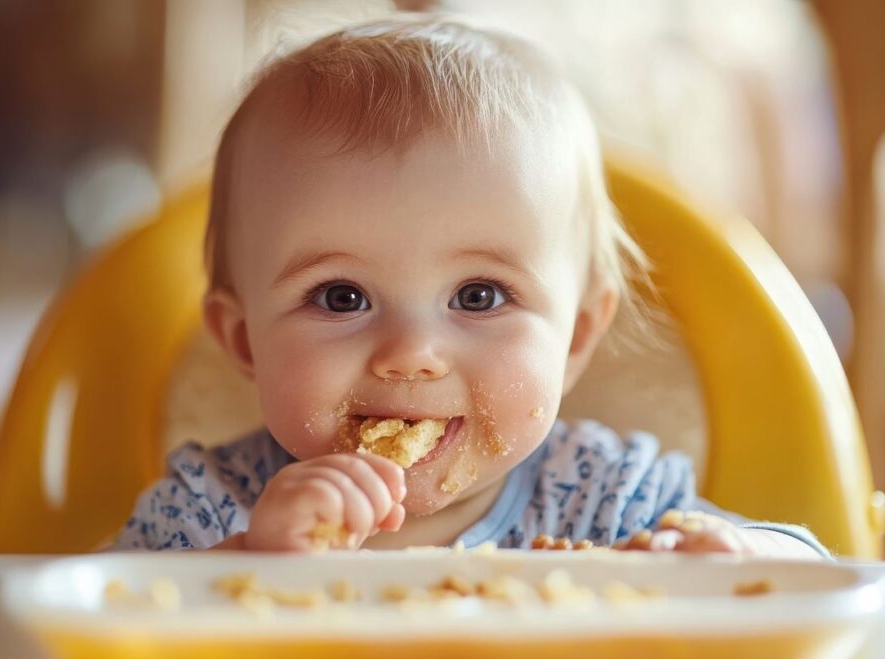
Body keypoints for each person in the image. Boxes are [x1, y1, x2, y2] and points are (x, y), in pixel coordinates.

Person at [113, 17, 827, 558]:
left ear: (576, 335)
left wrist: (733, 562)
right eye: (341, 297)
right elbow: (80, 634)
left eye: (479, 295)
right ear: (244, 339)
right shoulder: (212, 510)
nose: (411, 353)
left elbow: (818, 576)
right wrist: (240, 570)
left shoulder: (608, 500)